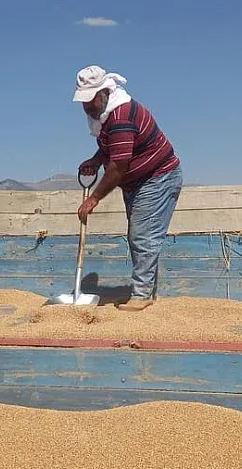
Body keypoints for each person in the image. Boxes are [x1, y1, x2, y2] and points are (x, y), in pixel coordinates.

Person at [72, 65, 183, 312]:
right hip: (138, 181)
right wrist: (96, 160)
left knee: (143, 236)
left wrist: (94, 199)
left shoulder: (121, 115)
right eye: (83, 101)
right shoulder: (105, 116)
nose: (87, 107)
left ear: (104, 92)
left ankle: (142, 295)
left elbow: (119, 166)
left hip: (158, 177)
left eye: (91, 100)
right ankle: (145, 292)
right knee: (139, 236)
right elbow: (113, 148)